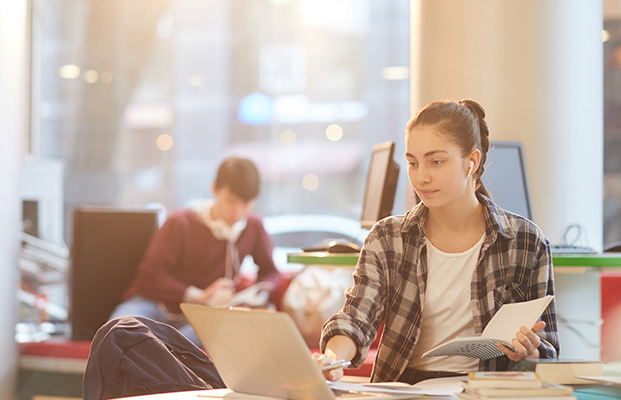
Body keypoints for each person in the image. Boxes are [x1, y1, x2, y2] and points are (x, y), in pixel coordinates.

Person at [316, 99, 559, 384]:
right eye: (412, 162)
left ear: (472, 162)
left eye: (436, 162)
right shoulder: (387, 238)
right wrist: (331, 361)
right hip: (405, 387)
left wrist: (530, 352)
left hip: (485, 388)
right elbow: (356, 318)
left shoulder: (525, 241)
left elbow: (547, 346)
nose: (421, 177)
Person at [109, 157, 281, 346]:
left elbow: (271, 272)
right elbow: (150, 274)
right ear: (214, 188)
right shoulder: (180, 222)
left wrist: (258, 293)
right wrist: (199, 296)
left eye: (247, 204)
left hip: (203, 314)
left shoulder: (253, 227)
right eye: (231, 201)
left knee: (182, 343)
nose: (238, 212)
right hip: (154, 304)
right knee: (117, 331)